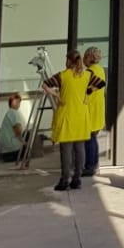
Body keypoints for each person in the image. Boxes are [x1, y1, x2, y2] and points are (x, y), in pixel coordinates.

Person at [47, 50, 90, 192]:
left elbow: (45, 85)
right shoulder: (87, 75)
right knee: (80, 149)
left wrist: (57, 96)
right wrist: (87, 95)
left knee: (66, 150)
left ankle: (65, 180)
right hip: (81, 117)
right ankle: (77, 179)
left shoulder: (62, 76)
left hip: (66, 116)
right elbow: (101, 83)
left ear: (68, 61)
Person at [82, 48, 107, 178]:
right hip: (98, 109)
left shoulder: (90, 72)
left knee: (89, 140)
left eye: (84, 57)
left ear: (89, 58)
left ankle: (90, 166)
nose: (83, 60)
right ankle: (95, 165)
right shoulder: (100, 70)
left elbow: (84, 91)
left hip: (90, 110)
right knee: (93, 139)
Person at [0, 92, 27, 163]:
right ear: (11, 102)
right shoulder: (13, 112)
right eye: (16, 102)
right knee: (28, 134)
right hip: (12, 150)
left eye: (19, 102)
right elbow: (17, 129)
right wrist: (23, 141)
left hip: (5, 152)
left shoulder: (9, 112)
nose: (18, 104)